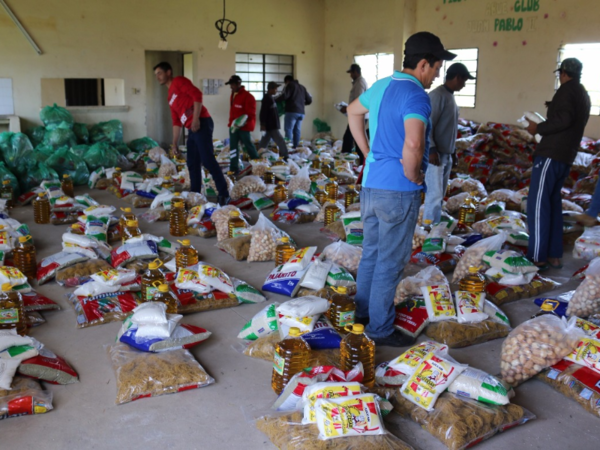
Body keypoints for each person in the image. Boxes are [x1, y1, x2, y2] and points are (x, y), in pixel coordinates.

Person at [347, 32, 456, 347]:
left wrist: (368, 154)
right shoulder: (416, 96)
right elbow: (414, 142)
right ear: (423, 64)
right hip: (397, 190)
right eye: (436, 67)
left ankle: (363, 314)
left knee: (372, 253)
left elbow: (353, 113)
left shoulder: (381, 86)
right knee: (390, 262)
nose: (437, 74)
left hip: (370, 186)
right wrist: (414, 177)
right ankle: (379, 329)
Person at [525, 57, 591, 270]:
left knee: (537, 204)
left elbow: (563, 119)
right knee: (552, 204)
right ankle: (554, 255)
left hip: (551, 155)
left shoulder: (566, 91)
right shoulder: (582, 94)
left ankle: (537, 256)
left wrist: (539, 129)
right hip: (565, 156)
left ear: (563, 73)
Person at [153, 62, 229, 205]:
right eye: (156, 74)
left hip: (202, 122)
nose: (157, 77)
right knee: (192, 163)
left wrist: (195, 119)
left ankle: (224, 194)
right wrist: (174, 142)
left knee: (207, 160)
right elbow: (176, 121)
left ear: (168, 72)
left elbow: (197, 95)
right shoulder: (169, 97)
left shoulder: (179, 81)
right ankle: (195, 195)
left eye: (159, 73)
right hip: (191, 128)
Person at [423, 63, 475, 224]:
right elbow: (427, 124)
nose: (464, 85)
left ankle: (435, 225)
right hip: (435, 155)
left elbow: (449, 129)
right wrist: (431, 149)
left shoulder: (450, 96)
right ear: (457, 77)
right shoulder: (437, 96)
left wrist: (453, 152)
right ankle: (428, 229)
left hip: (445, 154)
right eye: (464, 81)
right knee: (434, 194)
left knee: (440, 194)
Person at [226, 75, 259, 173]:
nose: (231, 87)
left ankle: (257, 164)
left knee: (248, 146)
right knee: (233, 148)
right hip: (233, 127)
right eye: (230, 85)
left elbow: (250, 114)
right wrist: (233, 124)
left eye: (232, 85)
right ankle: (234, 168)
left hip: (244, 128)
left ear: (238, 84)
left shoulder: (248, 97)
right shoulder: (233, 94)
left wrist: (240, 123)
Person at [340, 64, 368, 165]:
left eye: (351, 73)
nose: (350, 75)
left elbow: (359, 101)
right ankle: (357, 161)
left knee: (349, 138)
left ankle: (346, 160)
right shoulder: (357, 82)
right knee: (355, 138)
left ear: (356, 72)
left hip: (359, 115)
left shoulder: (360, 83)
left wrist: (347, 108)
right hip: (357, 114)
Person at [278, 75, 312, 148]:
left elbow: (285, 96)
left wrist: (275, 99)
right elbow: (309, 100)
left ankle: (289, 148)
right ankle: (295, 147)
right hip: (301, 113)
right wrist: (302, 104)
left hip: (291, 111)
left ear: (287, 81)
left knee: (288, 129)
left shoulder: (290, 85)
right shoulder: (302, 87)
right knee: (297, 130)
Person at [258, 82, 288, 159]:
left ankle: (257, 155)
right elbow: (263, 112)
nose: (276, 90)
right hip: (271, 125)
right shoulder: (267, 99)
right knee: (280, 141)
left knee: (264, 142)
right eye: (275, 88)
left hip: (271, 125)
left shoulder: (271, 98)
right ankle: (285, 156)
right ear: (270, 89)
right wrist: (263, 124)